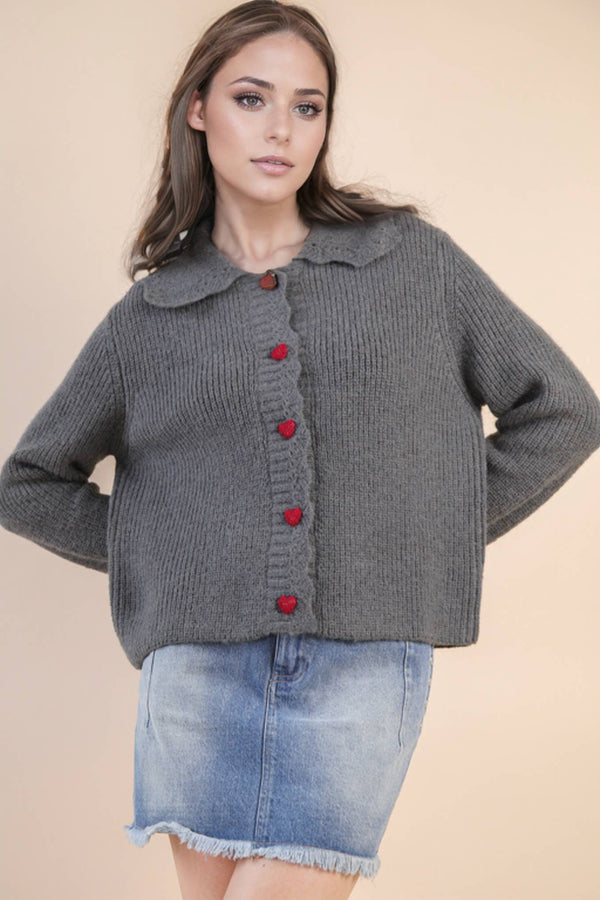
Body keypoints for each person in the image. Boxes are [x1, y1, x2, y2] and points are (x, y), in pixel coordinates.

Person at [1, 2, 600, 898]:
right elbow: (29, 483)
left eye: (307, 106)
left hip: (363, 667)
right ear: (198, 108)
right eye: (252, 98)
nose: (282, 128)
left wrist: (425, 533)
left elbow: (563, 410)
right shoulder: (150, 318)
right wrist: (167, 553)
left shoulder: (413, 264)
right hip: (197, 675)